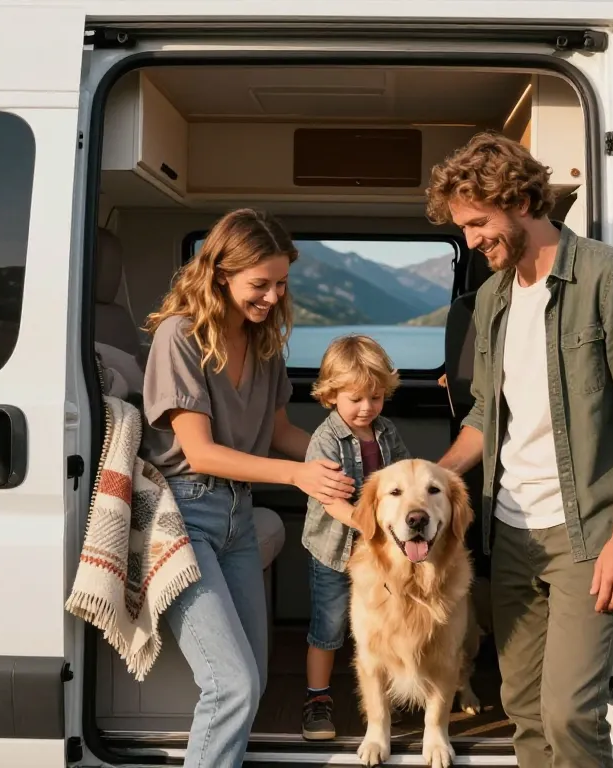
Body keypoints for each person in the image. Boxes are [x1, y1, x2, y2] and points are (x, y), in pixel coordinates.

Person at [426, 132, 613, 768]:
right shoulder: (489, 300)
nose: (471, 240)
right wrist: (432, 474)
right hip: (509, 530)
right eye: (462, 228)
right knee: (523, 710)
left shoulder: (611, 278)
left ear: (518, 200)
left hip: (586, 532)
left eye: (477, 223)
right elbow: (488, 415)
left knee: (570, 712)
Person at [139, 208, 356, 768]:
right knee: (230, 685)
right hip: (187, 518)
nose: (272, 296)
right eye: (260, 284)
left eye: (281, 283)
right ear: (219, 275)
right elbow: (201, 452)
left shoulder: (264, 343)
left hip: (238, 515)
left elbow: (281, 431)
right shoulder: (179, 336)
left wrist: (345, 464)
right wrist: (299, 476)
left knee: (252, 680)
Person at [298, 334, 411, 741]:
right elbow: (330, 501)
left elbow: (402, 479)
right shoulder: (325, 440)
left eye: (376, 398)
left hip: (378, 556)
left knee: (384, 624)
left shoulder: (386, 433)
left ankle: (383, 699)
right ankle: (317, 700)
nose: (367, 408)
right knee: (328, 626)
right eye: (356, 399)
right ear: (331, 395)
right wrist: (370, 526)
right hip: (334, 551)